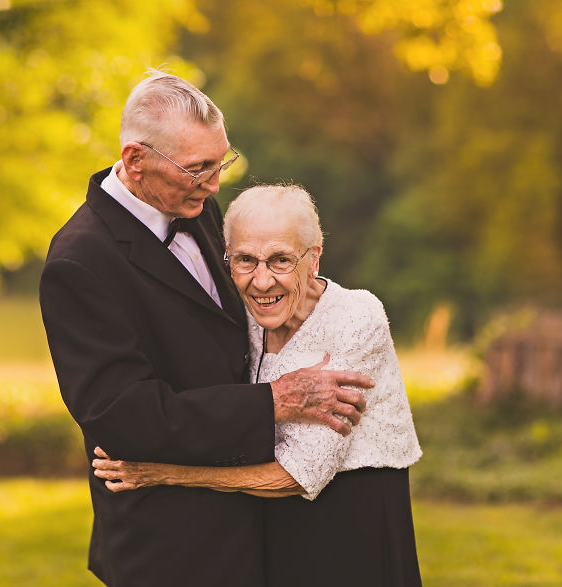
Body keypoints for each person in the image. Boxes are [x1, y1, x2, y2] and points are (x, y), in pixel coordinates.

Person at [39, 72, 374, 587]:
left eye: (221, 164)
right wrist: (274, 402)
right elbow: (125, 416)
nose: (216, 184)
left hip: (259, 514)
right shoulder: (79, 262)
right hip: (171, 540)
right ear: (135, 161)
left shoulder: (195, 204)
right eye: (199, 170)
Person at [92, 184, 423, 586]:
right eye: (245, 260)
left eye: (281, 260)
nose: (262, 282)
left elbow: (299, 475)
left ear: (314, 258)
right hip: (268, 522)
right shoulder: (242, 317)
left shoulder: (355, 316)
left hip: (355, 519)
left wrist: (164, 473)